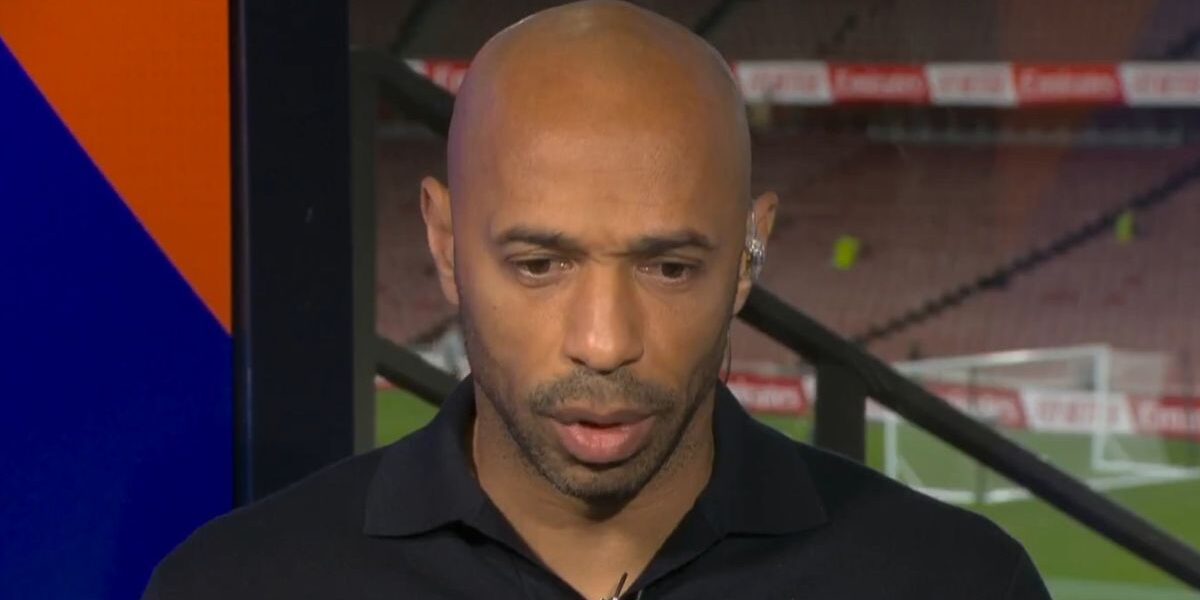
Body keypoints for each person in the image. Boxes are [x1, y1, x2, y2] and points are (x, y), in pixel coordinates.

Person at [144, 2, 1050, 598]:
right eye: (540, 264)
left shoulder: (955, 586)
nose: (605, 341)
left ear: (749, 252)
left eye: (670, 268)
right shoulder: (237, 588)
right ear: (444, 243)